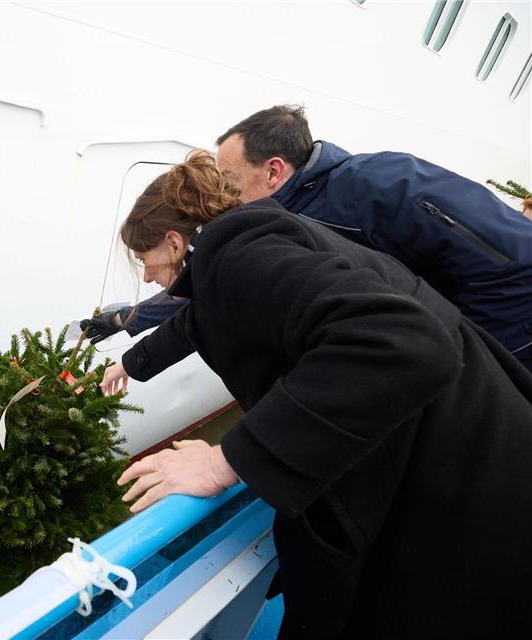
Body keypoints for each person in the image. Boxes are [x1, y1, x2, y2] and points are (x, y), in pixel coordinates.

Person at [99, 151, 532, 638]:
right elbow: (199, 320)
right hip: (458, 452)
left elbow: (405, 340)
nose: (146, 275)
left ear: (174, 242)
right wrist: (130, 364)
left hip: (458, 483)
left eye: (145, 259)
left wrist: (223, 462)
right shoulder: (243, 249)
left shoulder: (239, 255)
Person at [214, 105, 532, 372]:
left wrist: (463, 355)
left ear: (273, 171)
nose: (225, 195)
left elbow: (512, 259)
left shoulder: (378, 182)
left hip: (511, 337)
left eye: (230, 181)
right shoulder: (289, 221)